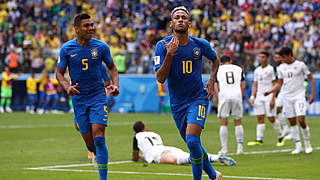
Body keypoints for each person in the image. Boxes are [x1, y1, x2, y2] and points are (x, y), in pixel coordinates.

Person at [154, 6, 221, 180]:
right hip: (177, 103)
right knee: (193, 144)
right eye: (177, 17)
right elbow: (160, 78)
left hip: (198, 98)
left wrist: (212, 80)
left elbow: (215, 60)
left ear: (189, 23)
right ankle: (214, 175)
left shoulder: (200, 44)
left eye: (184, 17)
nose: (181, 20)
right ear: (171, 24)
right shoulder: (162, 46)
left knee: (192, 141)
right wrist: (169, 55)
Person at [56, 13, 119, 180]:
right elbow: (59, 73)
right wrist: (67, 87)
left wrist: (115, 84)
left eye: (92, 25)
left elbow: (112, 67)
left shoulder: (101, 47)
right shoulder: (67, 49)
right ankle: (95, 153)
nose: (91, 28)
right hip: (79, 100)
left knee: (99, 137)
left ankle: (103, 178)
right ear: (77, 29)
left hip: (98, 97)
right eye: (86, 25)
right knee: (90, 144)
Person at [264, 47, 315, 154]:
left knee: (301, 119)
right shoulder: (281, 67)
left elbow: (311, 78)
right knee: (292, 122)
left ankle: (307, 143)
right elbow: (280, 83)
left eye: (283, 57)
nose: (282, 60)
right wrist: (270, 91)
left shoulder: (301, 65)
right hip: (287, 97)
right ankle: (298, 146)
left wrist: (312, 94)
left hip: (299, 96)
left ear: (289, 55)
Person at [132, 121, 236, 166]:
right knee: (186, 156)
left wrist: (140, 157)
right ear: (146, 128)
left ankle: (215, 158)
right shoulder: (154, 133)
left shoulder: (136, 137)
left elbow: (134, 157)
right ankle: (215, 157)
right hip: (166, 148)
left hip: (155, 153)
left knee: (176, 160)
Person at [247, 51, 285, 147]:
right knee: (260, 118)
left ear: (267, 58)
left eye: (263, 57)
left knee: (271, 118)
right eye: (260, 57)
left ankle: (281, 136)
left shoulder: (271, 69)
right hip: (259, 97)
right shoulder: (257, 70)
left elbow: (275, 83)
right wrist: (252, 97)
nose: (261, 59)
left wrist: (273, 98)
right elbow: (255, 85)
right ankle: (259, 139)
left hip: (268, 96)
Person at [214, 55, 245, 155]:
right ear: (230, 61)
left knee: (223, 121)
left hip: (224, 96)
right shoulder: (238, 69)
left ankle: (224, 148)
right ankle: (240, 148)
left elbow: (215, 85)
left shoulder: (218, 69)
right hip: (237, 95)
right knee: (238, 121)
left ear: (221, 62)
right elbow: (242, 84)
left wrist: (217, 98)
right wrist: (241, 96)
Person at [273, 52, 291, 139]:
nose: (277, 60)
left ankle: (292, 130)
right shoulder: (276, 67)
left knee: (289, 111)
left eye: (278, 58)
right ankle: (286, 127)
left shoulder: (286, 66)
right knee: (277, 108)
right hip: (282, 91)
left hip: (289, 91)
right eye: (275, 58)